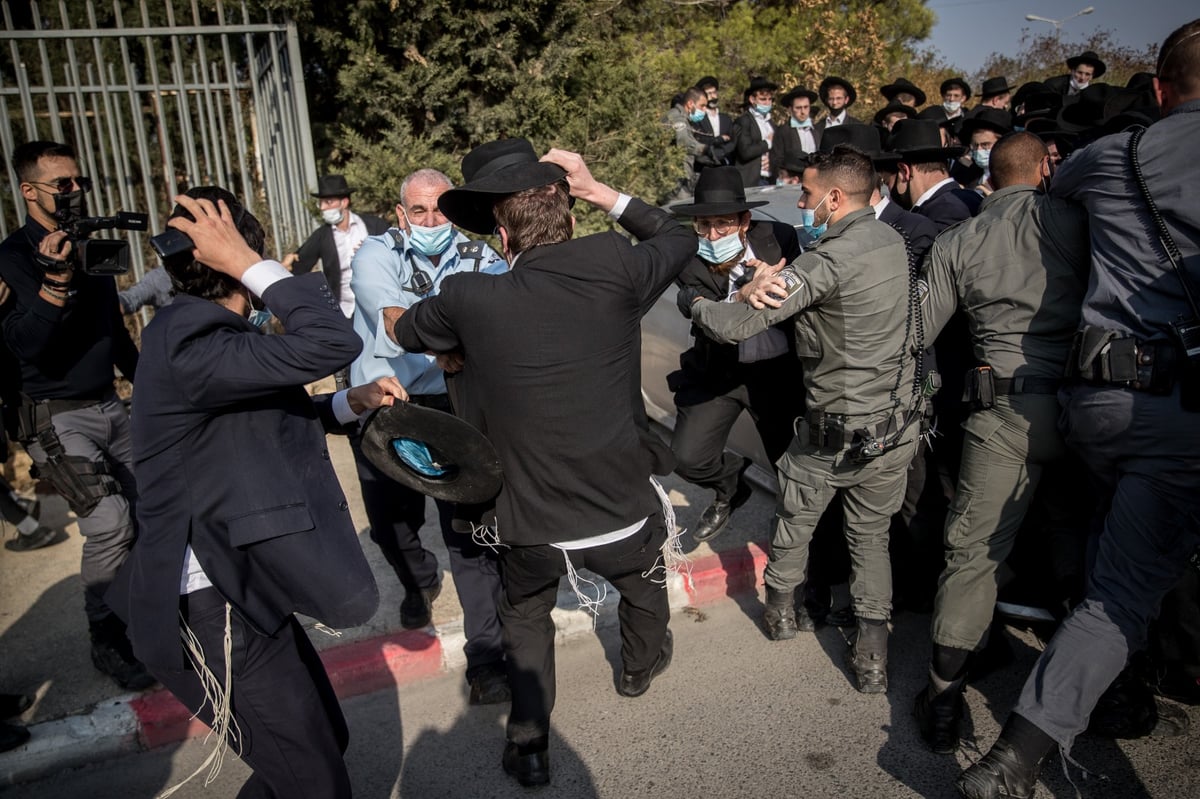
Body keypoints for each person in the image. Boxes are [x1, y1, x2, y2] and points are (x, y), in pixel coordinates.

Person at [393, 139, 694, 787]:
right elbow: (677, 234)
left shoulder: (468, 297)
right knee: (644, 590)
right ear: (571, 216)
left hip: (529, 526)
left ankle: (529, 743)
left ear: (501, 235)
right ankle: (638, 670)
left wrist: (452, 344)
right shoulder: (616, 263)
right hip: (621, 511)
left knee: (525, 618)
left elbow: (407, 331)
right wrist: (598, 187)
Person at [959, 20, 1200, 798]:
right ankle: (1032, 748)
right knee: (1126, 583)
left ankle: (1059, 731)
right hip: (1183, 409)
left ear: (1159, 89)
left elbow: (1042, 205)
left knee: (1113, 577)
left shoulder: (1108, 158)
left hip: (1099, 403)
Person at [107, 186, 394, 799]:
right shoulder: (192, 337)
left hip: (239, 585)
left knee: (317, 752)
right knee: (314, 779)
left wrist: (350, 401)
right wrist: (248, 262)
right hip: (207, 606)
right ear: (235, 252)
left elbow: (255, 422)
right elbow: (336, 342)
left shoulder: (203, 334)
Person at [687, 146, 920, 694]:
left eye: (809, 194)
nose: (801, 203)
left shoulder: (824, 261)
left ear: (835, 198)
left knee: (795, 524)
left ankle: (782, 614)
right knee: (871, 540)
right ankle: (871, 656)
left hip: (832, 437)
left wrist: (697, 305)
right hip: (893, 431)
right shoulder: (892, 240)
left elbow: (737, 323)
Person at [911, 132, 1091, 756]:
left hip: (1002, 410)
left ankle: (941, 700)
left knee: (973, 557)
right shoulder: (1078, 220)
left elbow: (920, 329)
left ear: (991, 174)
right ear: (1045, 167)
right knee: (1082, 535)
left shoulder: (960, 239)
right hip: (1081, 405)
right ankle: (1111, 689)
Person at [348, 167, 510, 704]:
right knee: (393, 524)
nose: (431, 220)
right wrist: (437, 344)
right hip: (386, 409)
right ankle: (418, 578)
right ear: (400, 214)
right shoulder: (376, 251)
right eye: (419, 210)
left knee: (466, 537)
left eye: (441, 209)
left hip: (452, 407)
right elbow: (389, 311)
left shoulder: (482, 258)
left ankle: (486, 659)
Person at [0, 140, 151, 690]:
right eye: (61, 184)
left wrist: (147, 388)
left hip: (112, 404)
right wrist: (54, 282)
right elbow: (27, 347)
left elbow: (113, 330)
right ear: (29, 190)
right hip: (56, 416)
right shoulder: (11, 258)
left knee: (154, 507)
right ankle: (106, 640)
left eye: (77, 182)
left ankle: (152, 618)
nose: (73, 192)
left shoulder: (88, 245)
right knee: (110, 523)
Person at [668, 166, 803, 543]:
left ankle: (807, 556)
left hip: (777, 374)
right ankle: (732, 485)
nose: (712, 234)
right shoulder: (689, 256)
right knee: (686, 457)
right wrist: (741, 296)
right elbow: (705, 311)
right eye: (704, 224)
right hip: (720, 372)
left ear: (745, 220)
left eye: (723, 224)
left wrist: (776, 284)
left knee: (791, 468)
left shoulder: (780, 237)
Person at [282, 174, 389, 318]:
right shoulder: (322, 236)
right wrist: (283, 266)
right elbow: (299, 264)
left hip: (380, 307)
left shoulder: (374, 226)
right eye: (321, 203)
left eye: (328, 202)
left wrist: (372, 250)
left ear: (344, 202)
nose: (323, 208)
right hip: (345, 312)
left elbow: (395, 252)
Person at [662, 87, 718, 198]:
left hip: (681, 177)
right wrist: (704, 149)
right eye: (702, 106)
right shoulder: (677, 118)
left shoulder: (683, 119)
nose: (704, 110)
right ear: (690, 103)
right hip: (675, 180)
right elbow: (684, 143)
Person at [732, 76, 778, 188]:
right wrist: (767, 143)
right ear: (752, 99)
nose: (767, 103)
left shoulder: (771, 123)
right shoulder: (744, 121)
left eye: (769, 99)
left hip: (770, 179)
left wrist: (771, 161)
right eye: (763, 99)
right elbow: (745, 151)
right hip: (751, 180)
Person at [772, 86, 820, 176]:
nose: (803, 112)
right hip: (793, 180)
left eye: (806, 107)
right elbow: (777, 159)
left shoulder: (816, 131)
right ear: (790, 109)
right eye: (798, 108)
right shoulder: (783, 131)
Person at [1043, 50, 1107, 98]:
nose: (1082, 78)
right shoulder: (1053, 85)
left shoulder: (1094, 95)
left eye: (1087, 74)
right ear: (1073, 71)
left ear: (1092, 76)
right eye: (1079, 72)